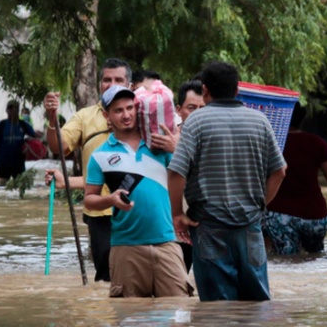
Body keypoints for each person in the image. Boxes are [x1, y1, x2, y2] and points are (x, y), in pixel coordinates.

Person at [167, 61, 287, 301]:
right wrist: (261, 204)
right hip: (250, 226)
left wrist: (178, 215)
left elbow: (176, 172)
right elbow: (280, 171)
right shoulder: (260, 121)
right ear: (236, 90)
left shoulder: (196, 122)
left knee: (216, 307)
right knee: (256, 303)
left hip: (209, 227)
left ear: (205, 90)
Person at [83, 85, 190, 298]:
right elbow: (89, 200)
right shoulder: (100, 155)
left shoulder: (158, 144)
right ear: (107, 116)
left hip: (166, 242)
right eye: (118, 110)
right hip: (125, 247)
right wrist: (111, 200)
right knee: (129, 316)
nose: (126, 115)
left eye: (130, 108)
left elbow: (189, 175)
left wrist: (177, 148)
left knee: (178, 310)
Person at [43, 57, 133, 282]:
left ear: (130, 84)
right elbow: (59, 147)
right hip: (100, 211)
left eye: (118, 80)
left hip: (136, 208)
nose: (111, 84)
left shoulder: (136, 113)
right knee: (106, 277)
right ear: (99, 84)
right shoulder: (86, 116)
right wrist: (52, 119)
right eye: (106, 80)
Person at [262, 104, 327, 255]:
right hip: (315, 216)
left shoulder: (272, 144)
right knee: (315, 257)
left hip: (281, 216)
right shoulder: (317, 143)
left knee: (287, 261)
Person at [148, 79, 206, 272]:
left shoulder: (213, 139)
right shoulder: (160, 137)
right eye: (192, 107)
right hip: (169, 224)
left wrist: (178, 149)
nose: (197, 113)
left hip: (202, 222)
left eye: (202, 107)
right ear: (179, 110)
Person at [0, 100, 37, 186]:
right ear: (7, 110)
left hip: (19, 164)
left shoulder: (24, 125)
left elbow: (34, 139)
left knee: (20, 188)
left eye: (15, 108)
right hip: (3, 163)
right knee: (1, 188)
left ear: (18, 110)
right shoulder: (0, 125)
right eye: (10, 108)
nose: (13, 110)